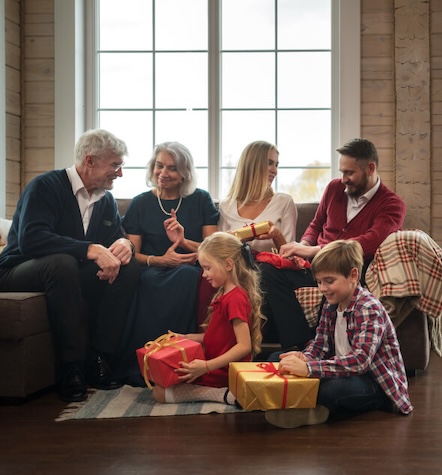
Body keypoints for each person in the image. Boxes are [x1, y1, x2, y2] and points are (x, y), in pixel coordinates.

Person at [0, 128, 141, 402]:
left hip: (66, 272)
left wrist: (126, 246)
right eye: (115, 165)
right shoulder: (45, 186)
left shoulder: (105, 199)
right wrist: (91, 249)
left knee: (130, 268)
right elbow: (31, 240)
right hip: (17, 269)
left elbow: (115, 239)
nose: (120, 173)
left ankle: (99, 359)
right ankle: (70, 368)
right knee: (61, 264)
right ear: (89, 161)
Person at [259, 138, 406, 349]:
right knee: (267, 271)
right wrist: (302, 246)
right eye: (341, 172)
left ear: (370, 168)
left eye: (349, 172)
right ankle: (299, 346)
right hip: (313, 266)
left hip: (350, 269)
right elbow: (316, 225)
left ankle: (320, 351)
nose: (343, 178)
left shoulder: (392, 204)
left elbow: (370, 241)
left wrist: (314, 249)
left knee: (337, 282)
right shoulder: (334, 188)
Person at [264, 240, 413, 429]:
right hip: (342, 371)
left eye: (329, 281)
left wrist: (309, 369)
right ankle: (306, 405)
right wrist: (304, 358)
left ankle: (309, 406)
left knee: (333, 389)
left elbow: (360, 361)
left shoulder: (368, 308)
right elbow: (320, 345)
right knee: (277, 359)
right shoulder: (330, 304)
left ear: (352, 275)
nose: (322, 288)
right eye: (319, 282)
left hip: (374, 383)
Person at [120, 141, 218, 383]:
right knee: (143, 281)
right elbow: (133, 253)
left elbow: (213, 249)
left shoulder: (201, 199)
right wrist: (159, 260)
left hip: (190, 269)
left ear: (184, 173)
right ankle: (147, 361)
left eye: (172, 168)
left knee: (187, 276)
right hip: (151, 269)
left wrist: (184, 241)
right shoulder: (141, 203)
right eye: (159, 166)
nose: (163, 173)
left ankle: (177, 359)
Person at [152, 232, 265, 405]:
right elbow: (221, 338)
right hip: (215, 366)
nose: (204, 274)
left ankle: (218, 394)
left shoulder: (235, 298)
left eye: (208, 268)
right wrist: (187, 338)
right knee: (160, 383)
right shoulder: (226, 294)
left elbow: (244, 346)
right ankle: (221, 391)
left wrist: (206, 367)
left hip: (223, 371)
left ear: (228, 264)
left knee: (159, 393)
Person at [218, 140, 297, 252]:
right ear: (252, 165)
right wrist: (236, 238)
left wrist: (277, 235)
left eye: (276, 164)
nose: (275, 171)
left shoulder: (284, 202)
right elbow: (220, 255)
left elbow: (292, 257)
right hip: (236, 268)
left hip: (272, 268)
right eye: (269, 163)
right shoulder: (226, 206)